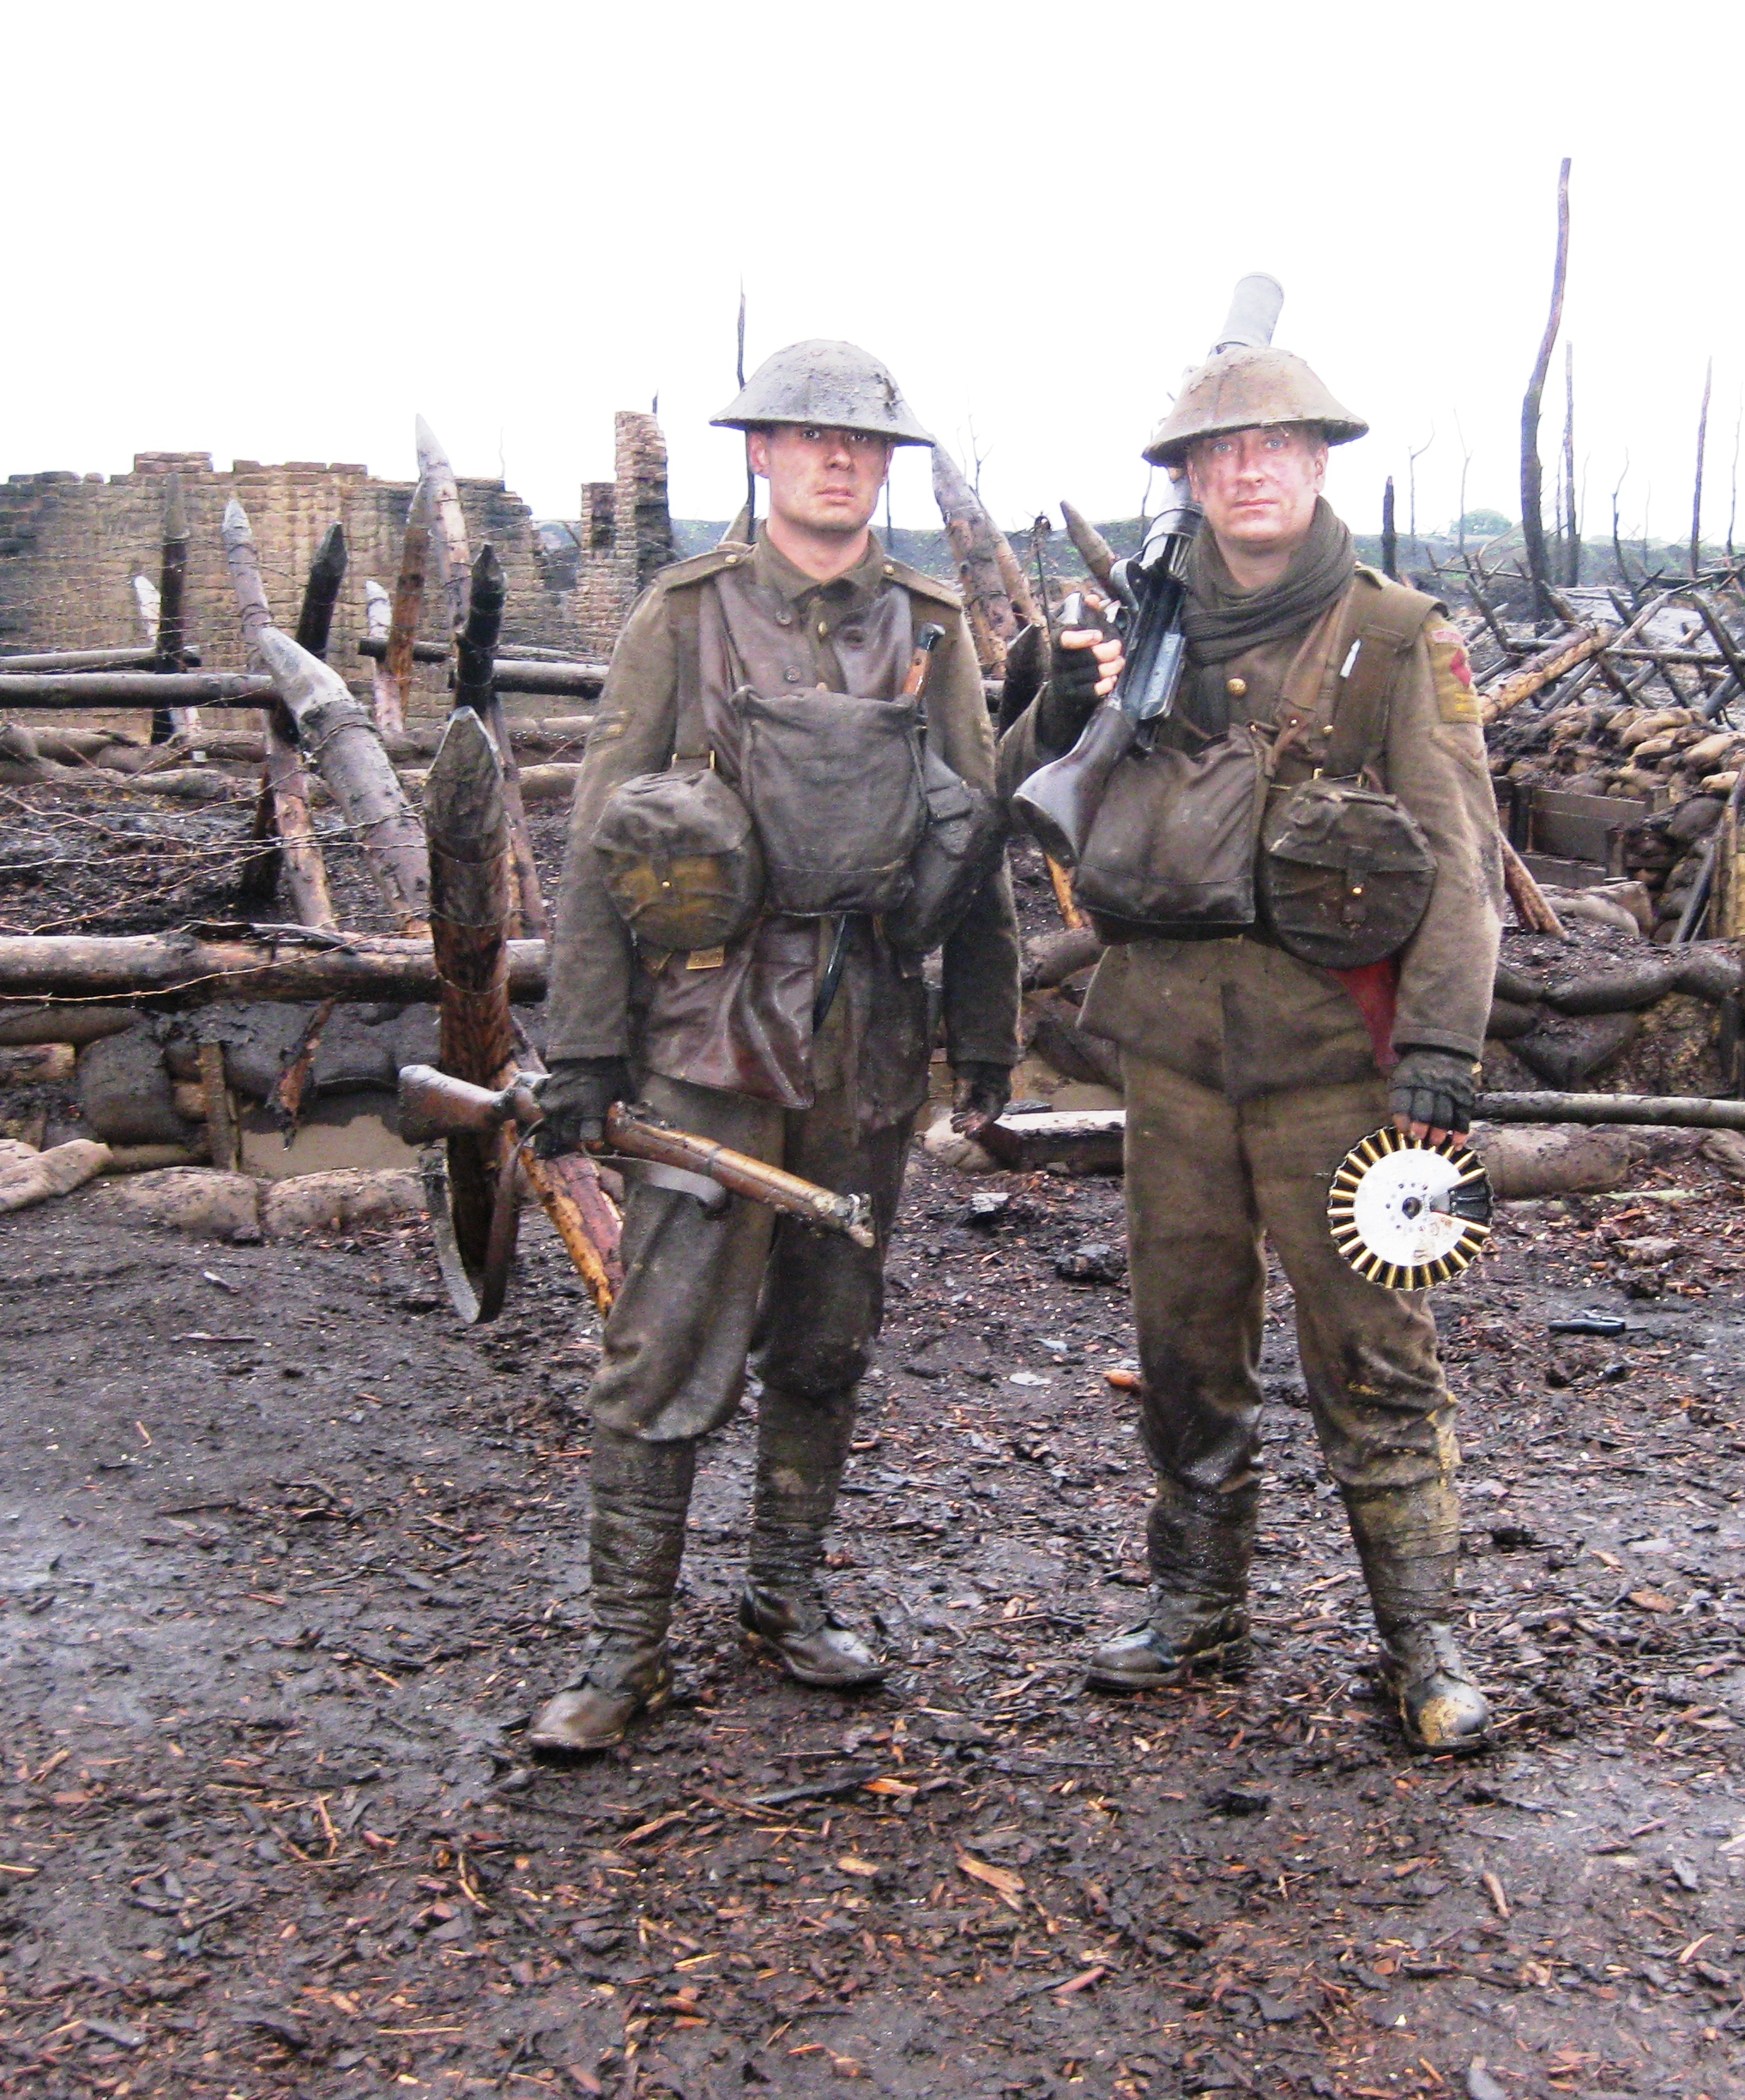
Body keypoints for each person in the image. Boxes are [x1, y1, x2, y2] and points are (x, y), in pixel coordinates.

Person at [1002, 336, 1503, 1751]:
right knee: (1182, 1346)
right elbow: (1022, 801)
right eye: (1222, 452)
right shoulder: (1135, 633)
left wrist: (1441, 1066)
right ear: (1190, 480)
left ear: (1322, 460)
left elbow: (1460, 868)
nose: (1250, 469)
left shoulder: (1399, 639)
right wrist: (1063, 691)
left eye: (1276, 445)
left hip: (1336, 1062)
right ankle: (1198, 1608)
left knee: (1375, 1351)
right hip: (1167, 1054)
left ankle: (1424, 1642)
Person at [526, 340, 1019, 1754]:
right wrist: (589, 1055)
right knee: (664, 1344)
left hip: (866, 1039)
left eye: (861, 445)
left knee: (824, 1337)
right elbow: (603, 849)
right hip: (707, 1038)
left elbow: (971, 835)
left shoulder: (927, 625)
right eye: (808, 438)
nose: (836, 460)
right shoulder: (683, 619)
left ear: (886, 467)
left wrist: (983, 1034)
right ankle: (623, 1652)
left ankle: (786, 1597)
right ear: (761, 454)